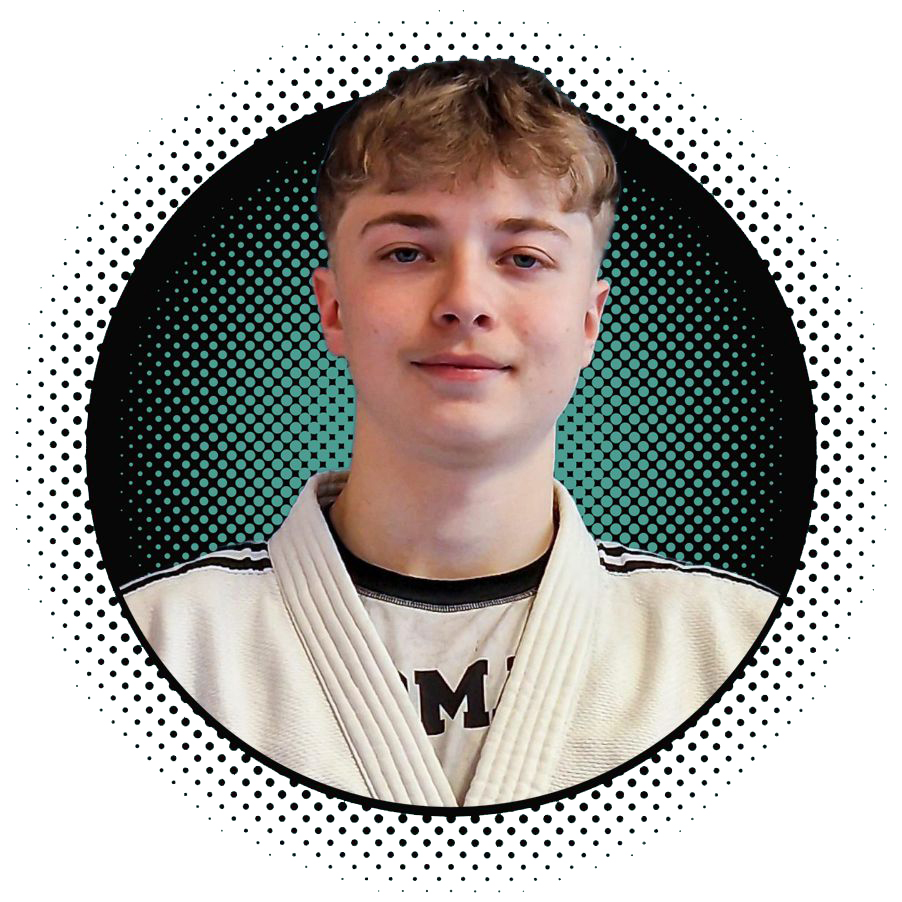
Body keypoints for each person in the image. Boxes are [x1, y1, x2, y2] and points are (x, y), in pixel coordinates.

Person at [121, 58, 779, 808]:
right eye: (407, 252)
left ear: (589, 321)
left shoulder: (736, 648)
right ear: (333, 309)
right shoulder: (157, 643)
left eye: (524, 258)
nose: (465, 301)